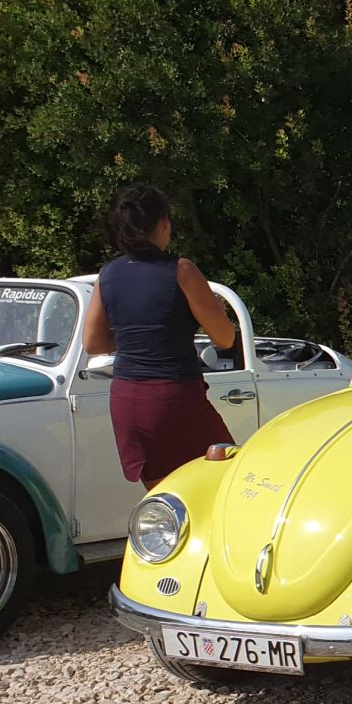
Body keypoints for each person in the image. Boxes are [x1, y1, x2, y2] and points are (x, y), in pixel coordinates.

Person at [84, 186, 239, 486]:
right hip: (172, 398)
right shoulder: (182, 271)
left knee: (163, 495)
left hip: (127, 399)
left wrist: (134, 336)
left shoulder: (107, 275)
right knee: (225, 477)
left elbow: (93, 343)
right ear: (164, 224)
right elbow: (225, 338)